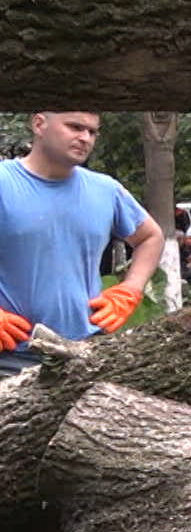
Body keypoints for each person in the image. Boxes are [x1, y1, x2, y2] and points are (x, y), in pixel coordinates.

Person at [0, 111, 163, 375]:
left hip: (82, 354)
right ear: (39, 124)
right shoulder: (4, 182)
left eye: (92, 132)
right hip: (8, 357)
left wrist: (130, 290)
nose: (85, 138)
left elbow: (150, 237)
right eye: (75, 127)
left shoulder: (106, 190)